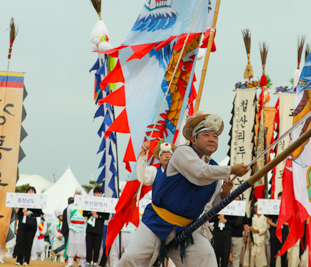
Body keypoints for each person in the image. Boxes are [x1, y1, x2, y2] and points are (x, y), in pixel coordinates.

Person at [116, 113, 249, 267]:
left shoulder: (216, 170)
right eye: (206, 135)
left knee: (207, 258)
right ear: (193, 139)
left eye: (215, 136)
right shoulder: (182, 152)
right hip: (157, 222)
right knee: (130, 260)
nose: (212, 139)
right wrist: (232, 169)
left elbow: (210, 207)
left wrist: (224, 194)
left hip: (187, 229)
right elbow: (200, 172)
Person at [15, 186, 44, 266]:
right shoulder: (22, 201)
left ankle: (26, 261)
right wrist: (22, 211)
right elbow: (18, 214)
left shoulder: (37, 202)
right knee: (20, 242)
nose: (31, 192)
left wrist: (29, 213)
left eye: (32, 191)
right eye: (29, 191)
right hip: (22, 225)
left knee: (29, 243)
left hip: (31, 226)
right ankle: (19, 260)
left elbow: (39, 213)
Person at [84, 187, 110, 267]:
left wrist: (98, 216)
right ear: (94, 194)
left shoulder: (104, 204)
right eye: (96, 193)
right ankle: (88, 261)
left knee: (97, 246)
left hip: (99, 229)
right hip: (90, 228)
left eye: (99, 193)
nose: (98, 195)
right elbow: (84, 213)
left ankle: (95, 262)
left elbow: (107, 216)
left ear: (102, 195)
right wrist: (90, 213)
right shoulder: (89, 203)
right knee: (89, 246)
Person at [66, 188, 87, 267]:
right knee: (71, 244)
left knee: (82, 244)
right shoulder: (70, 206)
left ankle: (82, 263)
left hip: (82, 227)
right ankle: (70, 262)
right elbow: (68, 218)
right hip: (73, 227)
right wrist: (70, 226)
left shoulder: (84, 206)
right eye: (76, 195)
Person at [227, 196, 249, 267]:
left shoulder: (243, 212)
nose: (236, 202)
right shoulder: (228, 211)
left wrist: (246, 235)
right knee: (226, 255)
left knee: (236, 257)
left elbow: (245, 225)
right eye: (235, 200)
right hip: (228, 236)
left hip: (239, 237)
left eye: (238, 200)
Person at [268, 193, 289, 267]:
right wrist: (277, 225)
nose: (281, 200)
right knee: (273, 256)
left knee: (284, 257)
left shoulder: (288, 208)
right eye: (279, 198)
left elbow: (291, 223)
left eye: (282, 198)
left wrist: (282, 222)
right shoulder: (273, 208)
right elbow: (268, 220)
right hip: (274, 234)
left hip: (284, 235)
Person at [250, 203, 270, 267]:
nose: (257, 209)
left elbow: (264, 228)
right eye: (256, 207)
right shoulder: (252, 217)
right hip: (253, 241)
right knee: (252, 258)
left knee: (261, 261)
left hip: (261, 241)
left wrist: (255, 230)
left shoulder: (264, 218)